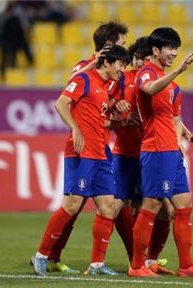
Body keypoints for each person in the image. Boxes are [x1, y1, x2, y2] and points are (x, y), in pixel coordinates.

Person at [37, 21, 130, 274]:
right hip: (83, 150)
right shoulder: (85, 74)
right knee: (72, 206)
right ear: (109, 49)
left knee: (107, 206)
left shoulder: (106, 83)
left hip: (101, 150)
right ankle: (44, 255)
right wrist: (76, 129)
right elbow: (66, 97)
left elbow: (101, 114)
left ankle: (97, 263)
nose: (125, 54)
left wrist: (118, 110)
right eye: (121, 46)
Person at [128, 27, 193, 278]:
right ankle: (136, 266)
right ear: (155, 50)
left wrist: (186, 133)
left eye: (176, 48)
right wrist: (178, 71)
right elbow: (148, 90)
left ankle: (187, 266)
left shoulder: (174, 87)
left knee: (184, 204)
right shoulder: (146, 73)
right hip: (156, 149)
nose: (174, 53)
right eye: (169, 48)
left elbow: (174, 118)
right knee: (152, 205)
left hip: (172, 150)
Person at [109, 36, 174, 275]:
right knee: (117, 206)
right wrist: (118, 111)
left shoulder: (156, 80)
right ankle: (116, 261)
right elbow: (103, 108)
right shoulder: (122, 79)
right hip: (126, 154)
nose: (143, 63)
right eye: (140, 58)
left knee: (165, 210)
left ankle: (148, 260)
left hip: (151, 153)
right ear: (133, 58)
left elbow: (168, 115)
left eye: (147, 58)